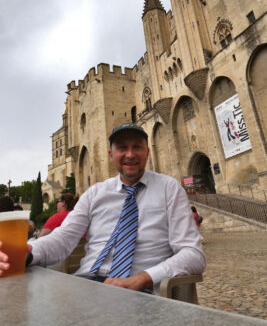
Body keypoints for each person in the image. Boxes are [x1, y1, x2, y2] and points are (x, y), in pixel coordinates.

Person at [0, 123, 206, 294]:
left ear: (148, 151)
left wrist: (143, 278)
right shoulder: (95, 193)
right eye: (122, 148)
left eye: (137, 147)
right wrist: (27, 252)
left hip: (141, 292)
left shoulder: (169, 188)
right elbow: (63, 238)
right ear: (110, 154)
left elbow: (193, 254)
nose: (130, 154)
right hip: (86, 286)